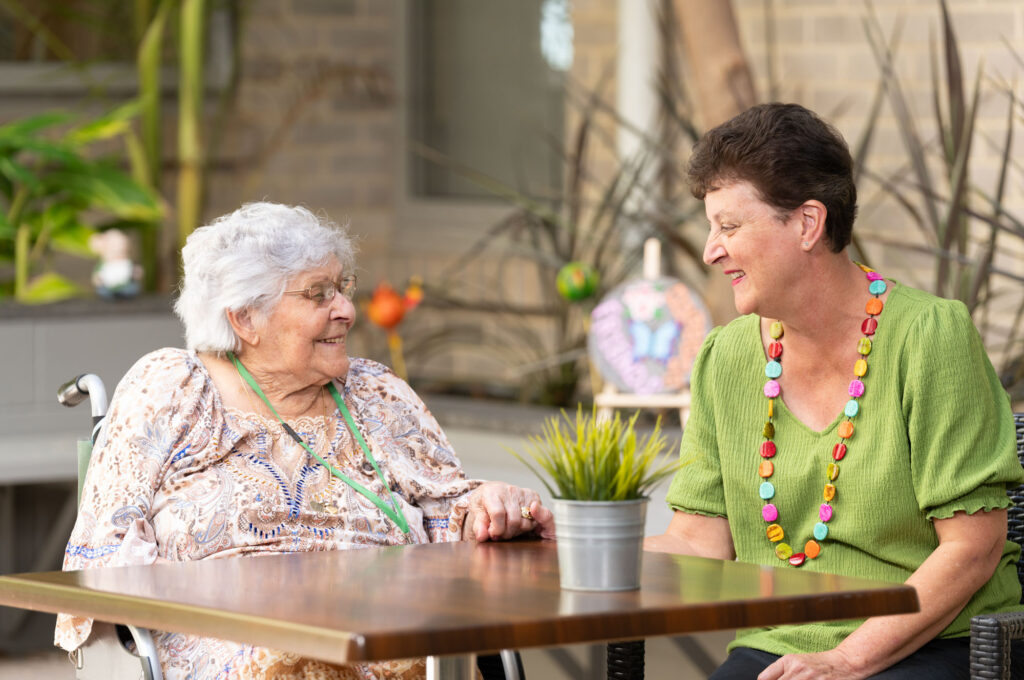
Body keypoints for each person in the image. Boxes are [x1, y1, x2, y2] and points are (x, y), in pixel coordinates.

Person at [56, 202, 555, 680]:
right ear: (245, 317)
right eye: (319, 294)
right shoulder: (171, 387)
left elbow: (448, 512)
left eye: (343, 287)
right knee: (292, 659)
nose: (347, 310)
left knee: (425, 659)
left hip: (388, 631)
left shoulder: (375, 392)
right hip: (235, 641)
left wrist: (492, 507)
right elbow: (105, 558)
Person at [645, 103, 1024, 679]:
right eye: (710, 227)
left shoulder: (928, 338)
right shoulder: (727, 359)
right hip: (781, 648)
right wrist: (564, 549)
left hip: (937, 643)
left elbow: (972, 548)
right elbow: (699, 541)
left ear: (807, 223)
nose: (709, 250)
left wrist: (845, 660)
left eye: (729, 226)